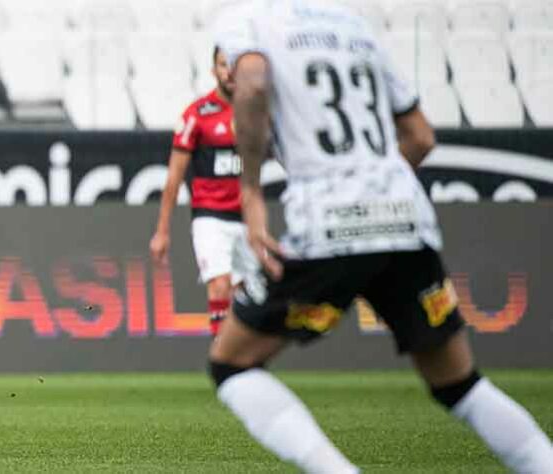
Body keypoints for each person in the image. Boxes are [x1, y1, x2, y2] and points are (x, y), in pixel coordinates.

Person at [208, 1, 553, 472]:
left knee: (232, 364)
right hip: (406, 219)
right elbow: (420, 136)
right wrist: (374, 187)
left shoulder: (248, 21)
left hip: (330, 225)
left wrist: (251, 191)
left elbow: (251, 81)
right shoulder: (355, 26)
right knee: (459, 385)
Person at [150, 46, 243, 336]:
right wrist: (162, 231)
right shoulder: (198, 115)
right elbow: (174, 177)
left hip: (245, 218)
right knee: (220, 284)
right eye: (222, 65)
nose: (228, 71)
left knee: (243, 296)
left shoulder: (256, 112)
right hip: (210, 216)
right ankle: (224, 364)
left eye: (233, 65)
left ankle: (244, 364)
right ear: (213, 71)